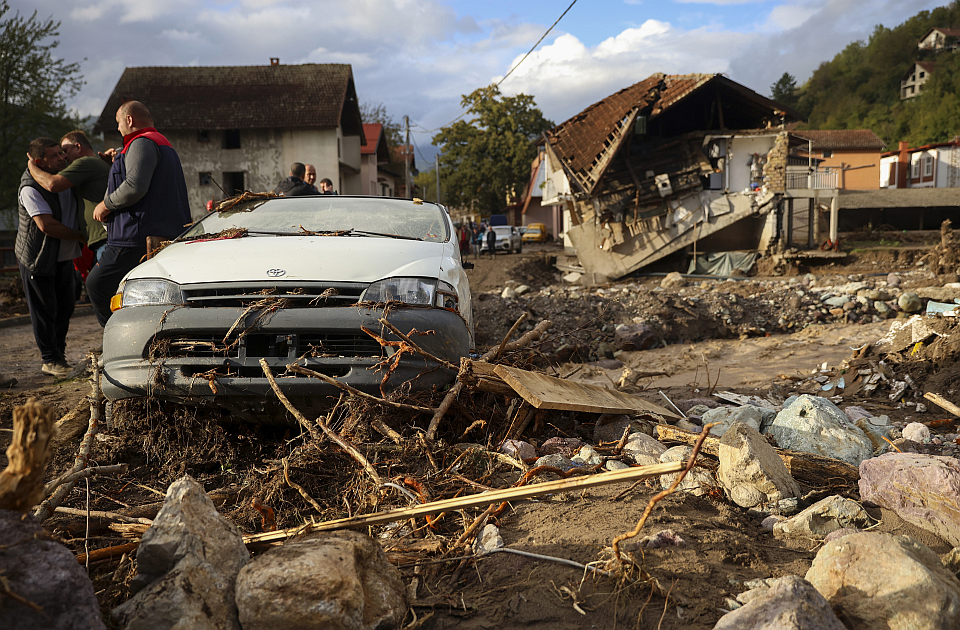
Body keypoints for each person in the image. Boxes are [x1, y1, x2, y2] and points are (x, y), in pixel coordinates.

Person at [87, 101, 192, 327]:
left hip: (134, 235)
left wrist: (106, 205)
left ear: (129, 120)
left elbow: (135, 186)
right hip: (158, 231)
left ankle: (113, 338)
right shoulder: (162, 143)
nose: (117, 129)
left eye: (118, 123)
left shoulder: (141, 143)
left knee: (97, 284)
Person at [16, 137, 85, 377]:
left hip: (62, 256)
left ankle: (59, 357)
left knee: (65, 307)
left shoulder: (62, 176)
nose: (62, 157)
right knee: (45, 311)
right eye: (54, 155)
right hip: (38, 258)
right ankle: (50, 359)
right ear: (39, 162)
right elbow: (47, 225)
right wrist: (80, 235)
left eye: (61, 153)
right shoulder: (30, 188)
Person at [27, 130, 109, 267]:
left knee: (99, 286)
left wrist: (32, 167)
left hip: (104, 240)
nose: (64, 157)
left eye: (65, 151)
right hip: (102, 240)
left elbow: (52, 184)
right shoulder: (95, 163)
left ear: (77, 147)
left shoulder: (85, 163)